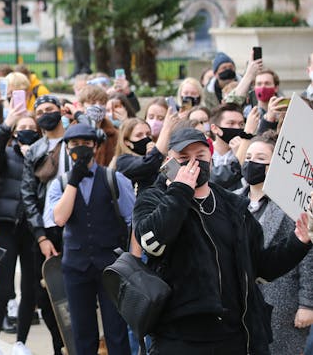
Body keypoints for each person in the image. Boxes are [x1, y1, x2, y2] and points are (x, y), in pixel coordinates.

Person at [133, 127, 313, 354]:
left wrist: (298, 241)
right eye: (183, 158)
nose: (193, 164)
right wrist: (180, 191)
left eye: (200, 156)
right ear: (169, 161)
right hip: (180, 337)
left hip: (235, 334)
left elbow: (262, 266)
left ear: (210, 156)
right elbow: (152, 243)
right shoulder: (153, 198)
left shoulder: (232, 204)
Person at [50, 123, 135, 355]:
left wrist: (134, 260)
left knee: (116, 331)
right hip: (76, 267)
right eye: (75, 144)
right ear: (67, 149)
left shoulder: (113, 178)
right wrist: (73, 182)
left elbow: (132, 219)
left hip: (111, 265)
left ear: (96, 146)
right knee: (82, 332)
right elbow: (59, 219)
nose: (80, 149)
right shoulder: (59, 183)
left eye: (86, 144)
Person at [235, 132, 313, 354]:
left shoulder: (291, 204)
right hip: (239, 304)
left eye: (260, 158)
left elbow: (307, 255)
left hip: (281, 301)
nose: (251, 163)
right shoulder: (232, 200)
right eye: (248, 157)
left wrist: (308, 303)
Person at [0, 106, 41, 355]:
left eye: (32, 129)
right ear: (15, 133)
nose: (27, 132)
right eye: (22, 129)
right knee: (4, 289)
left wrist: (33, 157)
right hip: (5, 226)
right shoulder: (5, 154)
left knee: (29, 289)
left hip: (30, 230)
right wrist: (6, 126)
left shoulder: (43, 157)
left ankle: (20, 342)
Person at [20, 94, 70, 354]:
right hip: (47, 231)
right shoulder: (35, 151)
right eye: (39, 112)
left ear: (61, 111)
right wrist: (40, 236)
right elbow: (28, 194)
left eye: (50, 109)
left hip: (78, 226)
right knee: (48, 296)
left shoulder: (77, 140)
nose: (45, 115)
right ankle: (58, 346)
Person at [112, 110, 177, 192]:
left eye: (148, 134)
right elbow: (148, 164)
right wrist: (166, 128)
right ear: (127, 142)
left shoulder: (155, 156)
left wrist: (163, 160)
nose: (145, 138)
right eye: (139, 135)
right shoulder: (122, 161)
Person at [76, 84, 118, 166]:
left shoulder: (115, 135)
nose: (98, 106)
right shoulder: (73, 132)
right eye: (92, 103)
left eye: (102, 103)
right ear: (81, 106)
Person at [208, 103, 247, 191]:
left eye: (241, 124)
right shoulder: (205, 153)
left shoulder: (249, 152)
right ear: (215, 128)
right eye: (231, 123)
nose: (237, 128)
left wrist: (241, 154)